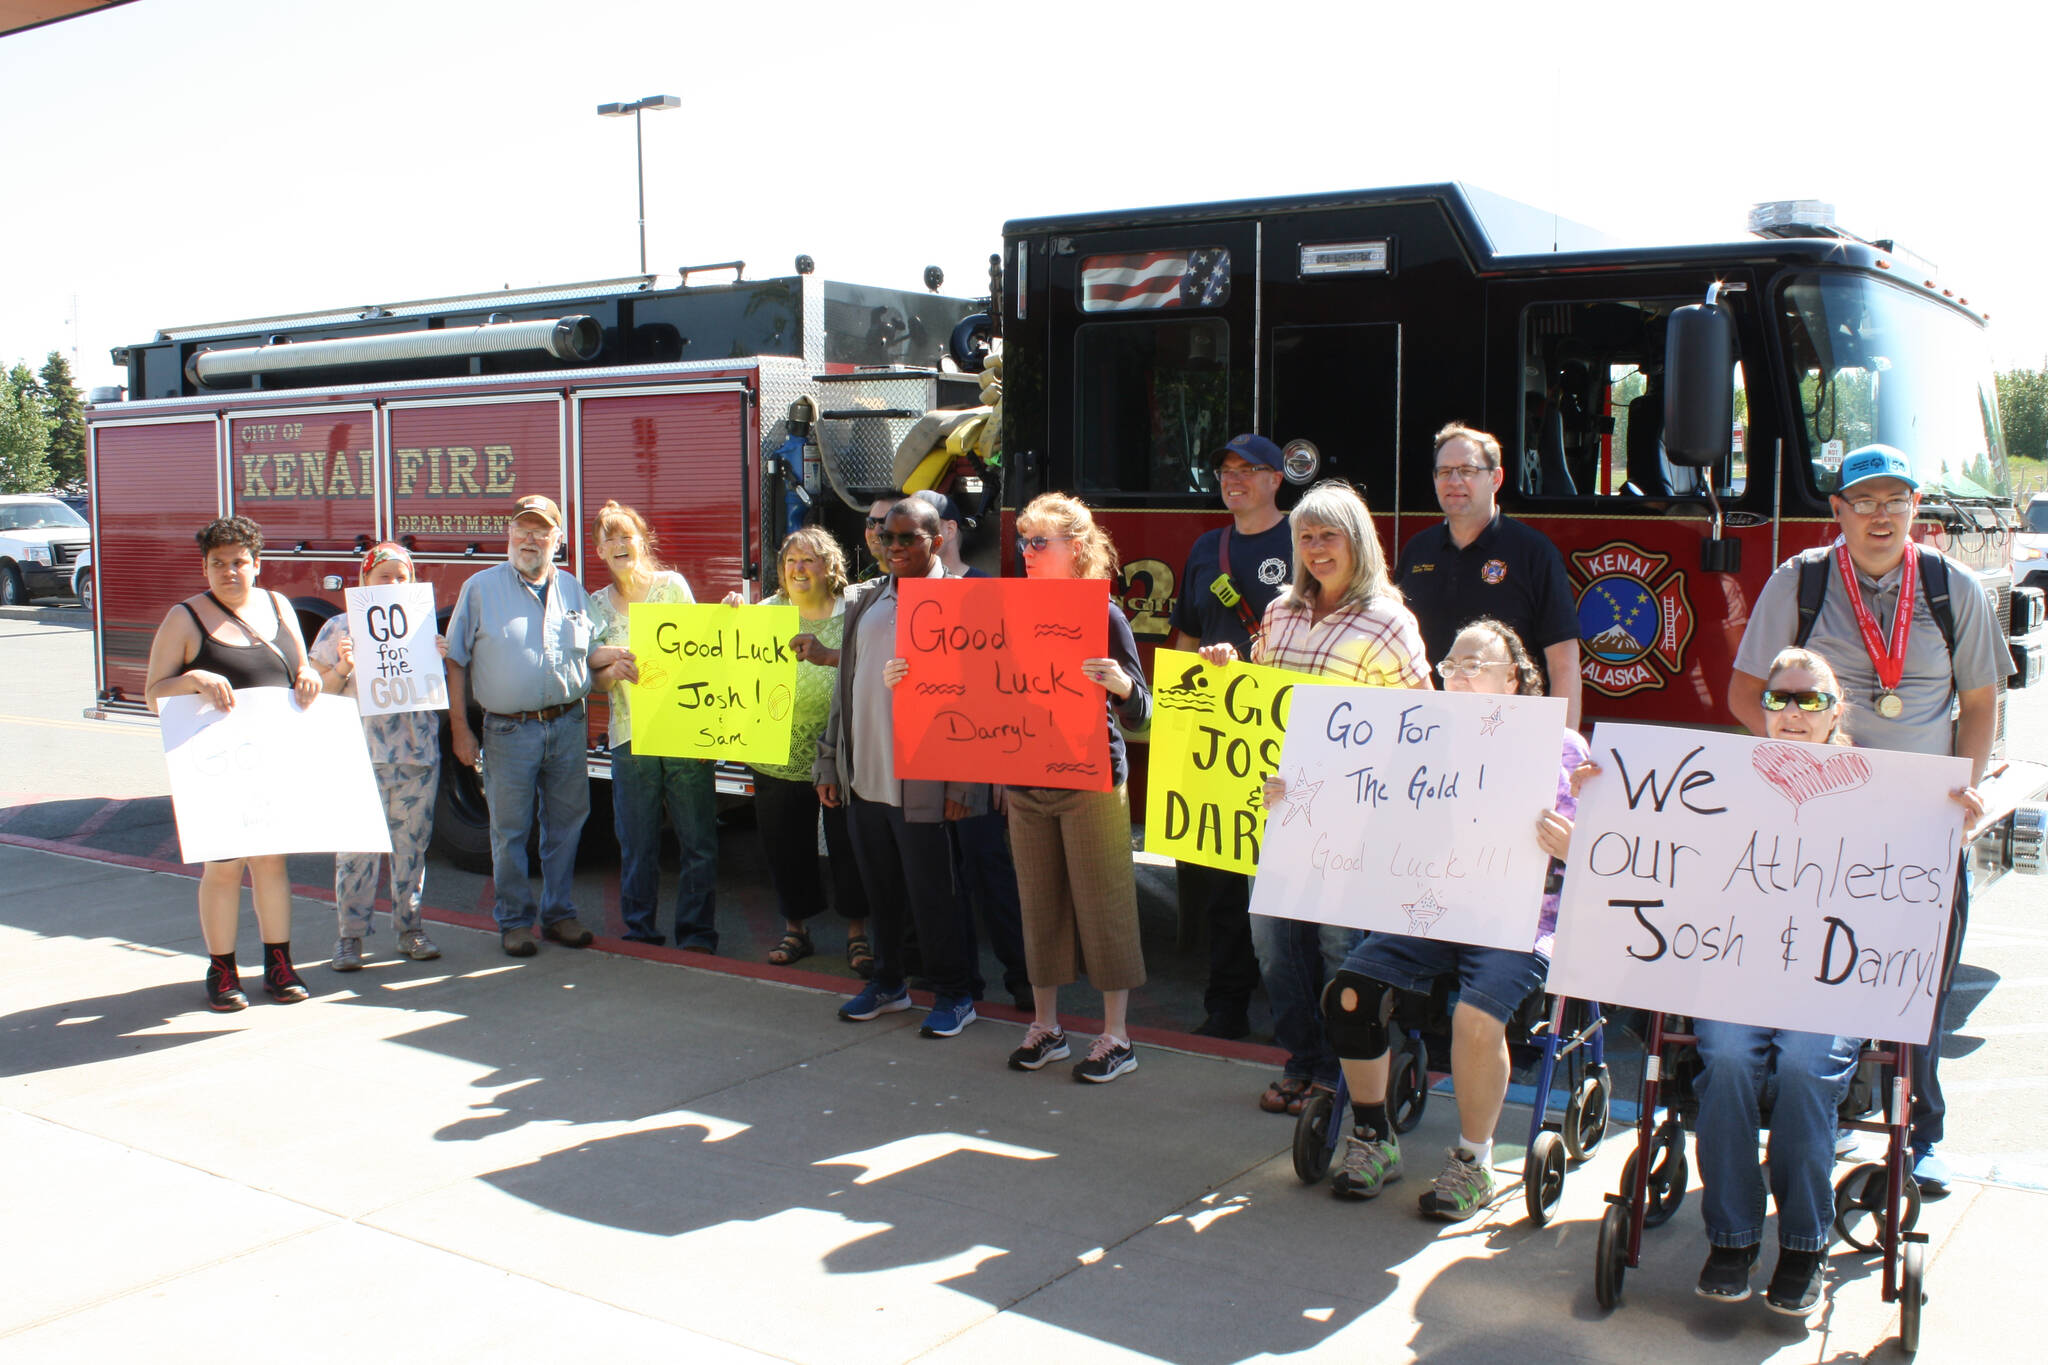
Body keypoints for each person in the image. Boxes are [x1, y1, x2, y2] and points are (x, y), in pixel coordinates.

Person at [1728, 444, 1999, 1194]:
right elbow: (1746, 693)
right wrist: (1796, 767)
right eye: (1865, 501)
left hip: (1920, 825)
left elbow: (1979, 706)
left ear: (1915, 510)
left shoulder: (1953, 587)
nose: (1881, 516)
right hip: (1819, 824)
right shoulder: (1802, 581)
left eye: (1896, 501)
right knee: (1821, 970)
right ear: (1838, 511)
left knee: (1923, 987)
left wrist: (1964, 799)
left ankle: (1921, 1136)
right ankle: (1822, 1108)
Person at [1290, 618, 1588, 1219]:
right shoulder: (1418, 738)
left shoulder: (1561, 749)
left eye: (1477, 666)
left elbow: (1607, 854)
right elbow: (1356, 804)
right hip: (1429, 908)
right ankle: (1373, 1136)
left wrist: (1575, 844)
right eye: (1452, 665)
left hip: (1519, 918)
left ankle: (1473, 1162)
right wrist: (1297, 797)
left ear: (1515, 680)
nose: (1460, 676)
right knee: (1349, 993)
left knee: (1478, 1019)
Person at [894, 493, 1152, 1082]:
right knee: (1037, 908)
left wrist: (1120, 686)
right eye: (1024, 543)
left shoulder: (1104, 616)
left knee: (1104, 904)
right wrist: (907, 676)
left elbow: (1143, 715)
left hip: (1089, 779)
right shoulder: (1007, 609)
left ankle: (1117, 1036)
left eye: (1041, 543)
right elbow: (972, 684)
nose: (1028, 553)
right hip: (1026, 780)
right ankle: (1047, 1027)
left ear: (1077, 549)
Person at [1201, 479, 1431, 1115]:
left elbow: (1423, 721)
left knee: (1338, 947)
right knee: (1273, 941)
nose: (1317, 548)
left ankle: (1340, 1070)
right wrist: (1225, 665)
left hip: (1350, 816)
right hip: (1277, 807)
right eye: (1306, 536)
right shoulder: (1279, 612)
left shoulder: (1389, 622)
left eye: (1329, 535)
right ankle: (1300, 1058)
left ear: (1357, 541)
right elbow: (1257, 700)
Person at [817, 498, 990, 1037]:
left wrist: (964, 782)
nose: (893, 547)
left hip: (926, 784)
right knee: (882, 894)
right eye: (884, 537)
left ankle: (956, 993)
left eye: (906, 538)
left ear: (936, 541)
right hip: (865, 781)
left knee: (935, 896)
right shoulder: (866, 600)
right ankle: (890, 983)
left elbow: (982, 698)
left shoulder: (965, 603)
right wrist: (830, 763)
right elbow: (845, 691)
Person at [143, 515, 321, 1010]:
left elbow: (299, 666)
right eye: (217, 563)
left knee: (270, 862)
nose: (229, 571)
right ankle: (222, 969)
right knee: (224, 868)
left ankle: (279, 964)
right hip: (216, 766)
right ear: (204, 567)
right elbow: (153, 694)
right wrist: (194, 678)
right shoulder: (186, 618)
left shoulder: (280, 607)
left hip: (273, 761)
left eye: (239, 561)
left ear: (257, 564)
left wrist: (308, 676)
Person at [445, 493, 629, 958]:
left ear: (558, 539)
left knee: (566, 826)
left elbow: (593, 651)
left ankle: (559, 915)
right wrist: (461, 730)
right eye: (522, 528)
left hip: (568, 726)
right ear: (510, 533)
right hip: (508, 731)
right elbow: (455, 662)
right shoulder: (480, 588)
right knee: (509, 831)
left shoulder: (572, 590)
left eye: (541, 530)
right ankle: (514, 922)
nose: (530, 538)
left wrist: (629, 658)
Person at [1168, 433, 1295, 1041]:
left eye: (1249, 469)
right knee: (1222, 876)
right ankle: (1226, 1007)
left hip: (1289, 733)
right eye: (1225, 469)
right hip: (1221, 732)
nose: (1233, 478)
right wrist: (1177, 722)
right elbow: (1185, 640)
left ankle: (1298, 1014)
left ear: (1277, 478)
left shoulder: (1306, 539)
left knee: (1290, 876)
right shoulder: (1204, 548)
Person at [722, 526, 872, 972]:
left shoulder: (853, 612)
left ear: (831, 568)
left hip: (842, 755)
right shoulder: (764, 614)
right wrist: (728, 621)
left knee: (849, 847)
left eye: (810, 560)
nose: (799, 569)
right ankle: (796, 930)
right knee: (785, 847)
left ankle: (858, 934)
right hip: (777, 755)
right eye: (791, 562)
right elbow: (727, 664)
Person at [914, 486, 1032, 1007]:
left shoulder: (989, 590)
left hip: (980, 762)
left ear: (951, 531)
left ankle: (1025, 982)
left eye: (924, 529)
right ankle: (961, 982)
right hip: (923, 760)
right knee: (943, 877)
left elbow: (1010, 684)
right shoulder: (899, 592)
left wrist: (1004, 768)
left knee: (991, 873)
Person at [587, 500, 719, 951]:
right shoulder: (596, 606)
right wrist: (612, 671)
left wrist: (732, 614)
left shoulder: (672, 587)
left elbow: (706, 652)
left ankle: (697, 933)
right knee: (638, 843)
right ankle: (639, 929)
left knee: (698, 841)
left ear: (643, 542)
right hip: (630, 738)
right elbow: (597, 681)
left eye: (628, 535)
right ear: (599, 551)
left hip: (682, 733)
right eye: (611, 538)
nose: (621, 545)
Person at [308, 542, 445, 971]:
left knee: (412, 849)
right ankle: (350, 938)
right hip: (359, 756)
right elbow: (316, 692)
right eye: (383, 575)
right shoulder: (337, 628)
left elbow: (439, 687)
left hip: (417, 754)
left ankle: (410, 928)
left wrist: (438, 656)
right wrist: (343, 667)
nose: (392, 583)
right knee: (355, 853)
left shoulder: (423, 626)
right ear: (364, 580)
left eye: (401, 576)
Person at [1395, 423, 1585, 728]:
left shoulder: (1533, 552)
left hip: (1509, 732)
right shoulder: (1418, 549)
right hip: (1427, 729)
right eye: (1444, 472)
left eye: (1467, 470)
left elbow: (1563, 661)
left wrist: (1564, 747)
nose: (1454, 481)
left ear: (1495, 479)